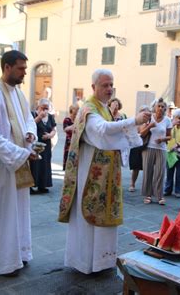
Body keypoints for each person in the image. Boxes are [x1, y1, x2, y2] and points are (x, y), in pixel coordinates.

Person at [58, 69, 151, 274]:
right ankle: (85, 262)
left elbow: (110, 131)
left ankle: (102, 261)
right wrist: (134, 121)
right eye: (104, 85)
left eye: (111, 85)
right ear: (93, 87)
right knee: (90, 218)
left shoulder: (103, 107)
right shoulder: (89, 109)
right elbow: (103, 131)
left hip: (106, 173)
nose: (109, 89)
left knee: (104, 217)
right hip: (90, 174)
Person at [0, 50, 38, 276]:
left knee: (17, 212)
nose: (24, 73)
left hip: (16, 163)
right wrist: (20, 153)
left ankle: (18, 254)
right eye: (21, 68)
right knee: (0, 214)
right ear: (7, 67)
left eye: (25, 68)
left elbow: (28, 119)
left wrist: (30, 134)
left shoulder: (19, 94)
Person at [140, 98, 172, 205]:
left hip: (161, 149)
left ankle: (159, 196)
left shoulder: (167, 120)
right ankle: (148, 195)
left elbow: (169, 136)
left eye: (163, 107)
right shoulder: (149, 118)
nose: (161, 108)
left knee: (160, 173)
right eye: (159, 106)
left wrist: (162, 139)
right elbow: (142, 133)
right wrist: (149, 126)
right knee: (148, 172)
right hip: (148, 148)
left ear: (165, 109)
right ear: (155, 107)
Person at [30, 98, 57, 195]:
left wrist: (50, 135)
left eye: (47, 108)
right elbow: (30, 125)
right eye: (43, 108)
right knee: (35, 164)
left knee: (45, 164)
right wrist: (39, 117)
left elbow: (54, 129)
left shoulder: (50, 117)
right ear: (39, 106)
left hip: (46, 145)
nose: (45, 110)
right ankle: (32, 185)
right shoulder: (33, 114)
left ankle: (43, 185)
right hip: (36, 144)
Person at [164, 108, 180, 198]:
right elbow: (165, 135)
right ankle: (167, 189)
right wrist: (172, 124)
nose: (179, 120)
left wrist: (178, 144)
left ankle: (179, 191)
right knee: (169, 172)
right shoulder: (170, 126)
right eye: (177, 117)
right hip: (170, 152)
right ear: (174, 117)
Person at [128, 105, 150, 192]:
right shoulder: (136, 122)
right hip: (136, 146)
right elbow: (141, 133)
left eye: (147, 113)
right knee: (135, 167)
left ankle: (146, 186)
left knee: (148, 167)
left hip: (146, 145)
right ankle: (132, 184)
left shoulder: (150, 122)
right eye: (144, 112)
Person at [63, 103, 79, 169]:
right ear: (71, 111)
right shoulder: (67, 119)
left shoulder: (78, 119)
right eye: (75, 111)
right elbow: (65, 129)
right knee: (68, 157)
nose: (76, 114)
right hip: (69, 142)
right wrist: (73, 127)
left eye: (77, 111)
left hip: (76, 141)